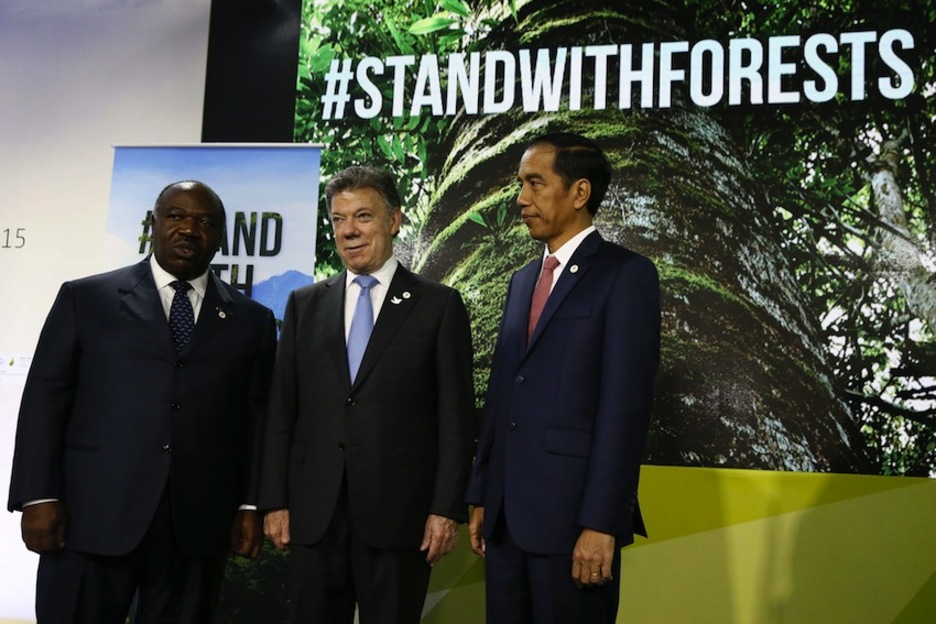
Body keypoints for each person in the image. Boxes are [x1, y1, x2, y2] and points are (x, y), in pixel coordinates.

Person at [7, 180, 276, 623]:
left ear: (221, 237)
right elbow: (45, 400)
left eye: (205, 222)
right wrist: (37, 495)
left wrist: (249, 505)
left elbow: (257, 418)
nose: (189, 228)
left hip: (195, 527)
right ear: (154, 224)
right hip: (89, 518)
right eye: (176, 216)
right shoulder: (86, 299)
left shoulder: (252, 320)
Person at [259, 166, 475, 624]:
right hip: (314, 518)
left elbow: (456, 419)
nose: (349, 231)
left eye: (363, 216)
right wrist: (275, 500)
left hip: (401, 520)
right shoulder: (304, 305)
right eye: (338, 220)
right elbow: (282, 411)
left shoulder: (438, 306)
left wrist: (444, 509)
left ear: (394, 220)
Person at [465, 133, 661, 624]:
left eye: (535, 183)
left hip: (574, 524)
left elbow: (624, 411)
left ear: (579, 192)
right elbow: (505, 393)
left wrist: (602, 524)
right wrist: (483, 493)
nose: (520, 199)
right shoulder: (520, 281)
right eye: (520, 185)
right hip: (506, 522)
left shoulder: (627, 275)